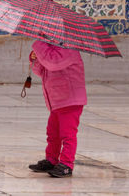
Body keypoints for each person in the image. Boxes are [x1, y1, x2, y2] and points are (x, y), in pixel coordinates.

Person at [28, 40, 87, 178]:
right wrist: (35, 60)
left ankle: (67, 164)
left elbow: (52, 63)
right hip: (57, 101)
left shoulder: (70, 48)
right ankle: (52, 159)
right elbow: (42, 71)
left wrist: (38, 46)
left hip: (70, 101)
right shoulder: (51, 49)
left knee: (67, 134)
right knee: (53, 133)